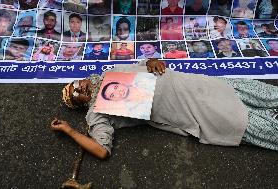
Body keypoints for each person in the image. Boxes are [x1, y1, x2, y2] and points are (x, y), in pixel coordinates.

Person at [51, 59, 278, 160]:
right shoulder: (97, 111)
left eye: (76, 85)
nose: (79, 89)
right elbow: (101, 150)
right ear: (81, 104)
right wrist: (70, 130)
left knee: (267, 95)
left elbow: (146, 63)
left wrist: (151, 62)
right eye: (76, 95)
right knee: (250, 123)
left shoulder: (113, 71)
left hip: (198, 85)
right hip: (193, 110)